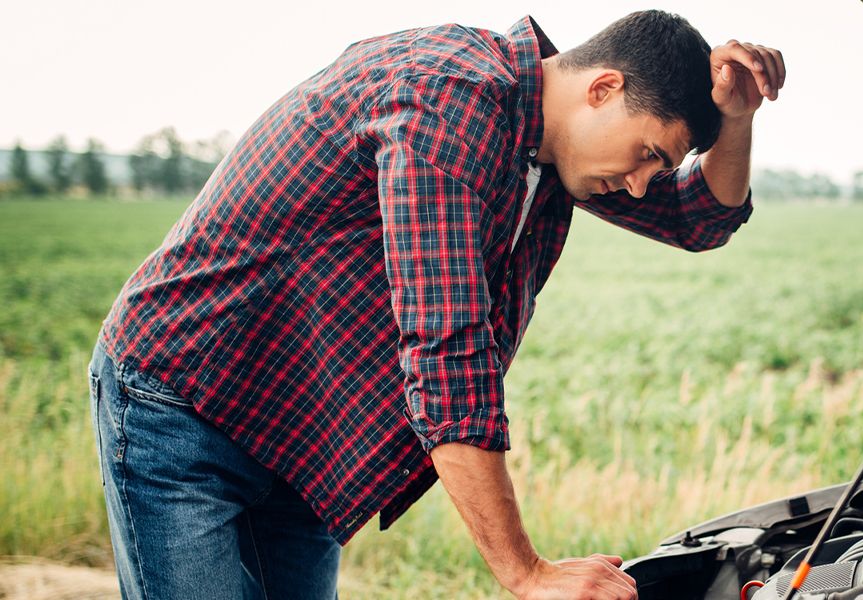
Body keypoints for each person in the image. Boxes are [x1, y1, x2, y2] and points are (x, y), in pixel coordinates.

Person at [88, 10, 784, 599]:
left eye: (657, 169)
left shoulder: (553, 147)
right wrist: (528, 574)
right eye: (645, 156)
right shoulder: (452, 99)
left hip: (299, 435)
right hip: (184, 407)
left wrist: (738, 118)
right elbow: (447, 356)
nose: (639, 186)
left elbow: (701, 220)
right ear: (603, 88)